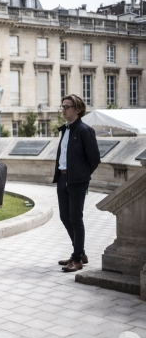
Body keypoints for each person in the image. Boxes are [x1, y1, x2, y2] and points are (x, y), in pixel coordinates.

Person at [54, 94, 101, 272]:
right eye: (63, 106)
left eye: (67, 107)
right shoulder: (66, 129)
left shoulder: (84, 130)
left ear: (78, 110)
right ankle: (79, 252)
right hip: (62, 178)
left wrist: (82, 175)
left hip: (77, 181)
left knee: (75, 218)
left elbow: (94, 158)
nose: (64, 109)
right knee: (64, 217)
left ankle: (77, 259)